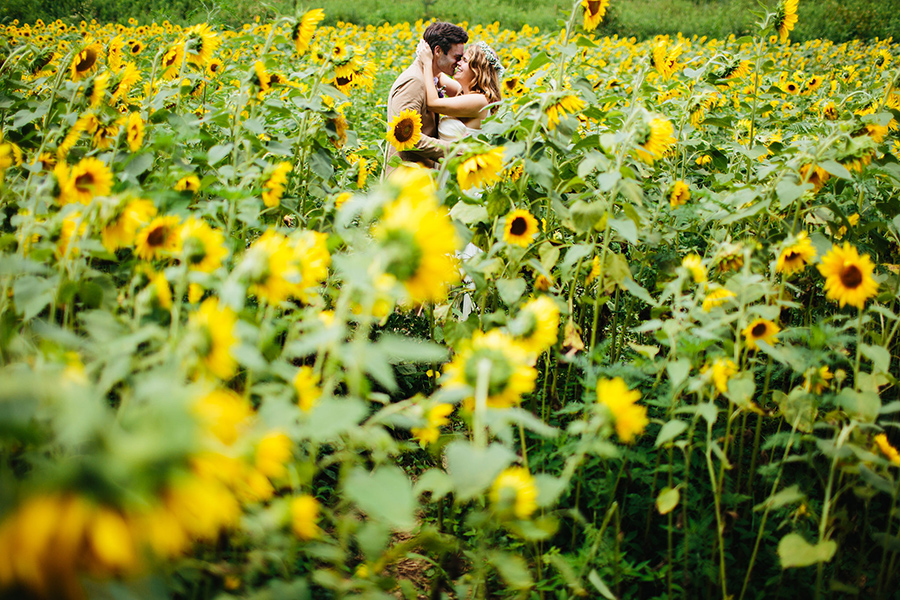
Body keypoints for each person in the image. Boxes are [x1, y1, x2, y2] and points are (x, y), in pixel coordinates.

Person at [385, 22, 468, 174]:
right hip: (406, 180)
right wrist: (457, 151)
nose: (459, 63)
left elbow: (466, 93)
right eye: (456, 57)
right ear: (437, 51)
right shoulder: (414, 81)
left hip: (421, 177)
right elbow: (406, 137)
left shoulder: (432, 76)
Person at [416, 39, 504, 142]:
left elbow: (432, 103)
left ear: (477, 70)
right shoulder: (463, 91)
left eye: (465, 61)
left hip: (461, 157)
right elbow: (438, 75)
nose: (458, 63)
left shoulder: (480, 101)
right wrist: (435, 54)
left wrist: (427, 63)